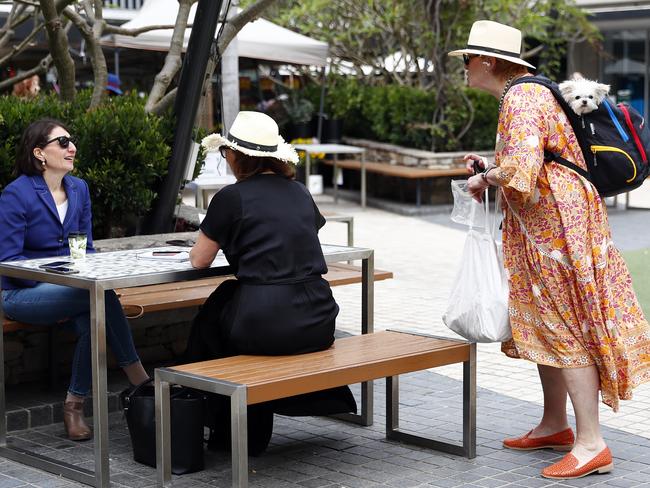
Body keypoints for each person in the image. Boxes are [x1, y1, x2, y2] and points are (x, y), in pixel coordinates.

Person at [449, 20, 650, 480]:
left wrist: (485, 177)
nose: (464, 68)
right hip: (558, 223)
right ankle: (556, 424)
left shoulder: (520, 97)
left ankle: (590, 443)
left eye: (466, 60)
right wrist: (492, 166)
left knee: (564, 326)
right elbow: (534, 158)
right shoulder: (528, 93)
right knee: (544, 323)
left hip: (555, 232)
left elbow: (522, 169)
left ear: (485, 62)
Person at [184, 111, 355, 454]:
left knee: (209, 328)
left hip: (266, 320)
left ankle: (219, 427)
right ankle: (241, 429)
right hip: (318, 317)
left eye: (226, 152)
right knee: (224, 311)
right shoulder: (299, 192)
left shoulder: (232, 197)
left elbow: (198, 259)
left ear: (236, 156)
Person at [0, 119, 149, 441]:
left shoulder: (79, 189)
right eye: (63, 142)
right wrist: (59, 282)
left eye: (72, 141)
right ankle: (140, 381)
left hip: (74, 291)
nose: (72, 148)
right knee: (102, 299)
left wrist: (74, 283)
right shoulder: (17, 194)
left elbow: (88, 249)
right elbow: (8, 262)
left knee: (92, 318)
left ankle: (74, 405)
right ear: (39, 153)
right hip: (21, 294)